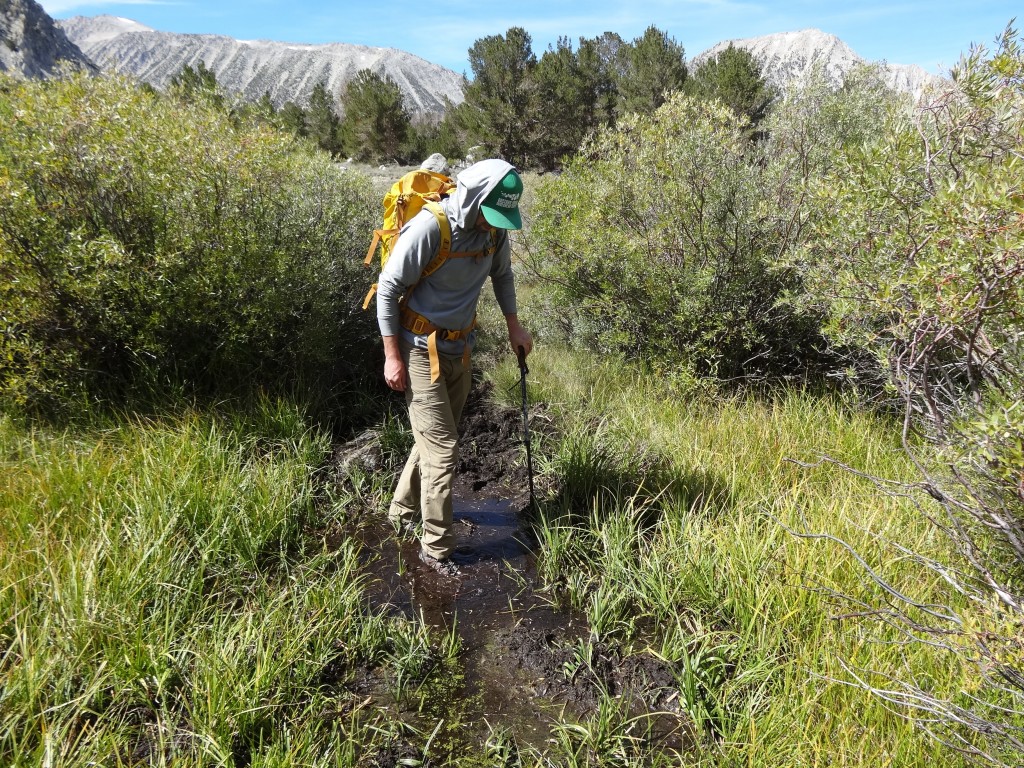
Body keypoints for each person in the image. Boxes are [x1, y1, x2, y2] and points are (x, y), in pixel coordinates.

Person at [376, 158, 533, 577]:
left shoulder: (494, 231)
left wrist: (514, 326)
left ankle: (400, 511)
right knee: (443, 449)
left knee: (432, 441)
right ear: (474, 199)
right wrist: (392, 356)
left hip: (460, 347)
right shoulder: (432, 228)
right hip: (417, 348)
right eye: (490, 214)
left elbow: (502, 276)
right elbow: (388, 289)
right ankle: (436, 551)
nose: (493, 225)